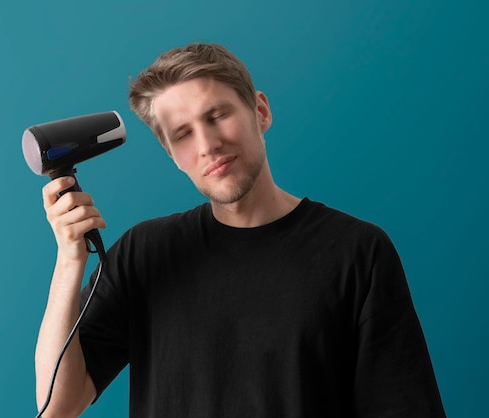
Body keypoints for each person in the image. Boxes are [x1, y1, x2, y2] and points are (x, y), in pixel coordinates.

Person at [34, 42, 446, 417]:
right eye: (183, 134)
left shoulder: (357, 252)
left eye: (217, 115)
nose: (207, 144)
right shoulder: (143, 254)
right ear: (173, 155)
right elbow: (58, 405)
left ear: (260, 111)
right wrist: (69, 262)